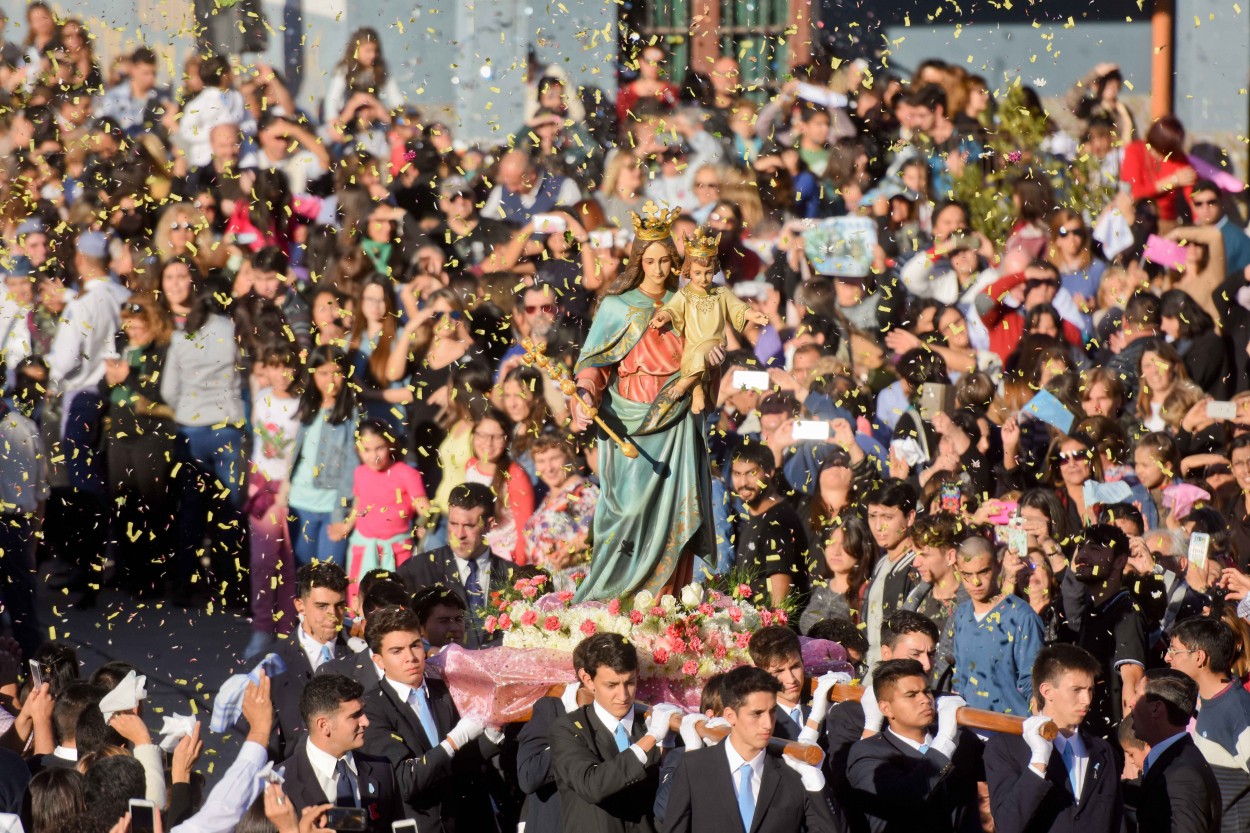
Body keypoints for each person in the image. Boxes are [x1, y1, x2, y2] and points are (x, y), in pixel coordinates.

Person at [569, 204, 716, 601]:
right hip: (630, 417)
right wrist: (585, 393)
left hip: (678, 417)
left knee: (673, 520)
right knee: (627, 513)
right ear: (637, 261)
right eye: (649, 260)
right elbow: (596, 363)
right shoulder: (617, 306)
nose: (657, 268)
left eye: (665, 260)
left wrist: (711, 362)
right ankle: (613, 597)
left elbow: (705, 354)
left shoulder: (687, 304)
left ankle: (665, 601)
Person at [361, 605, 502, 832]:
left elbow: (467, 763)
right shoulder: (372, 708)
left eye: (415, 645)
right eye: (397, 651)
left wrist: (495, 728)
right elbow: (405, 781)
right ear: (378, 660)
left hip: (467, 821)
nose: (411, 657)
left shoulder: (445, 688)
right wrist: (456, 739)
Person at [660, 665, 838, 833]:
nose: (768, 724)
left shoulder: (793, 774)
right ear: (730, 716)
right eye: (757, 713)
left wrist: (817, 785)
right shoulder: (694, 766)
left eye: (773, 711)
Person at [983, 644, 1124, 833]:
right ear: (1047, 691)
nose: (1087, 700)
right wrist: (1039, 760)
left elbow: (1117, 823)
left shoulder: (1104, 753)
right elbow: (1007, 826)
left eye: (1090, 689)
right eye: (1076, 690)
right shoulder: (1005, 748)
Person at [549, 633, 678, 833]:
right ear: (588, 680)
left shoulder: (649, 724)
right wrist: (651, 739)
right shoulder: (568, 728)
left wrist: (670, 748)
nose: (623, 695)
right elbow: (592, 785)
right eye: (612, 685)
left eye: (630, 683)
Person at [846, 659, 981, 833]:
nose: (925, 700)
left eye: (927, 691)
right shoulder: (867, 752)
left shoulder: (961, 739)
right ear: (886, 708)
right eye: (911, 695)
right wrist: (945, 740)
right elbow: (907, 798)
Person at [650, 228, 768, 413]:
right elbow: (672, 309)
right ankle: (698, 394)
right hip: (692, 342)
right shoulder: (685, 294)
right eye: (698, 273)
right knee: (690, 360)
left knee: (700, 357)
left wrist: (753, 315)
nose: (703, 278)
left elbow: (737, 308)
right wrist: (662, 317)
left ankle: (682, 386)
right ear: (688, 272)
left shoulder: (720, 292)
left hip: (714, 341)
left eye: (708, 273)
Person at [397, 483, 517, 648]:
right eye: (453, 524)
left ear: (489, 524)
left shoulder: (514, 577)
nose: (459, 534)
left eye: (469, 526)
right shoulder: (416, 570)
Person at [280, 674, 404, 831]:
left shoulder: (382, 770)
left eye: (363, 712)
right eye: (355, 715)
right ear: (324, 725)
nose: (366, 722)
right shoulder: (280, 784)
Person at [1165, 617, 1250, 831]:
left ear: (1199, 657)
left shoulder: (1238, 712)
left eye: (1175, 651)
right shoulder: (1207, 702)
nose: (1168, 658)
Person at [264, 562, 353, 760]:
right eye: (322, 606)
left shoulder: (360, 654)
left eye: (339, 606)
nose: (333, 616)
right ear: (300, 605)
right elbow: (266, 747)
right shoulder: (269, 667)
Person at [947, 534, 1044, 715]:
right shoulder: (961, 614)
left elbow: (1032, 684)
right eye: (967, 574)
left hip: (1011, 730)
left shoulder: (1023, 617)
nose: (976, 582)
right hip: (969, 728)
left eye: (983, 572)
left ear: (998, 567)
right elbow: (960, 678)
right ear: (957, 571)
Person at [1066, 524, 1147, 739]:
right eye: (1081, 547)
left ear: (1120, 561)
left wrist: (1131, 750)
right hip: (1090, 738)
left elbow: (1133, 684)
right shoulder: (1091, 610)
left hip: (1115, 747)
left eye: (1094, 549)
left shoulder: (1127, 612)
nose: (1082, 555)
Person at [338, 419, 429, 601]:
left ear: (391, 444)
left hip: (397, 551)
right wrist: (346, 526)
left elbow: (423, 507)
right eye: (367, 450)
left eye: (379, 448)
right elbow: (359, 503)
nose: (374, 456)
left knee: (397, 601)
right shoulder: (360, 472)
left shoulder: (406, 473)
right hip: (362, 548)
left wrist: (424, 525)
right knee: (357, 600)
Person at [1129, 668, 1221, 833]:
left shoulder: (1183, 776)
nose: (1131, 702)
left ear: (1156, 709)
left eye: (1137, 695)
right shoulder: (1173, 760)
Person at [729, 443, 809, 606]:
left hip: (771, 630)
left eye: (751, 473)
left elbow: (781, 608)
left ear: (770, 472)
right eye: (737, 473)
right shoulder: (755, 517)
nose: (743, 482)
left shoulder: (777, 524)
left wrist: (772, 629)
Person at [862, 480, 921, 666]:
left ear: (910, 517)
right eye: (872, 516)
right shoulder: (881, 563)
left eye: (887, 517)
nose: (878, 526)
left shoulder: (917, 566)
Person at [747, 626, 811, 742]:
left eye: (795, 666)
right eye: (779, 671)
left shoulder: (824, 704)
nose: (791, 679)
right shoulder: (755, 718)